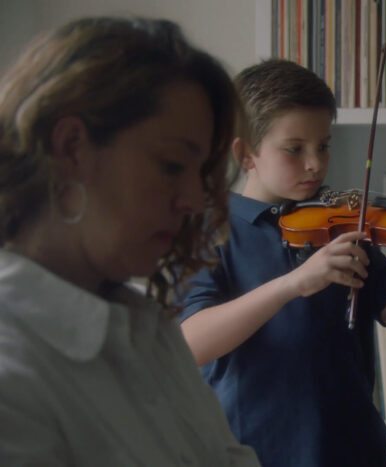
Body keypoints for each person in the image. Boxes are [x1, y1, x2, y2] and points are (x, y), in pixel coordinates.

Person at [179, 58, 386, 467]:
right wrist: (292, 284)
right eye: (295, 149)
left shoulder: (341, 222)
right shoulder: (211, 229)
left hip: (350, 449)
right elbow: (191, 342)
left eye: (323, 146)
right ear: (245, 154)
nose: (315, 163)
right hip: (252, 450)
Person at [0, 17, 260, 466]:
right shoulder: (13, 369)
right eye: (173, 165)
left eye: (202, 176)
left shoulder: (149, 329)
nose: (196, 201)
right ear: (72, 147)